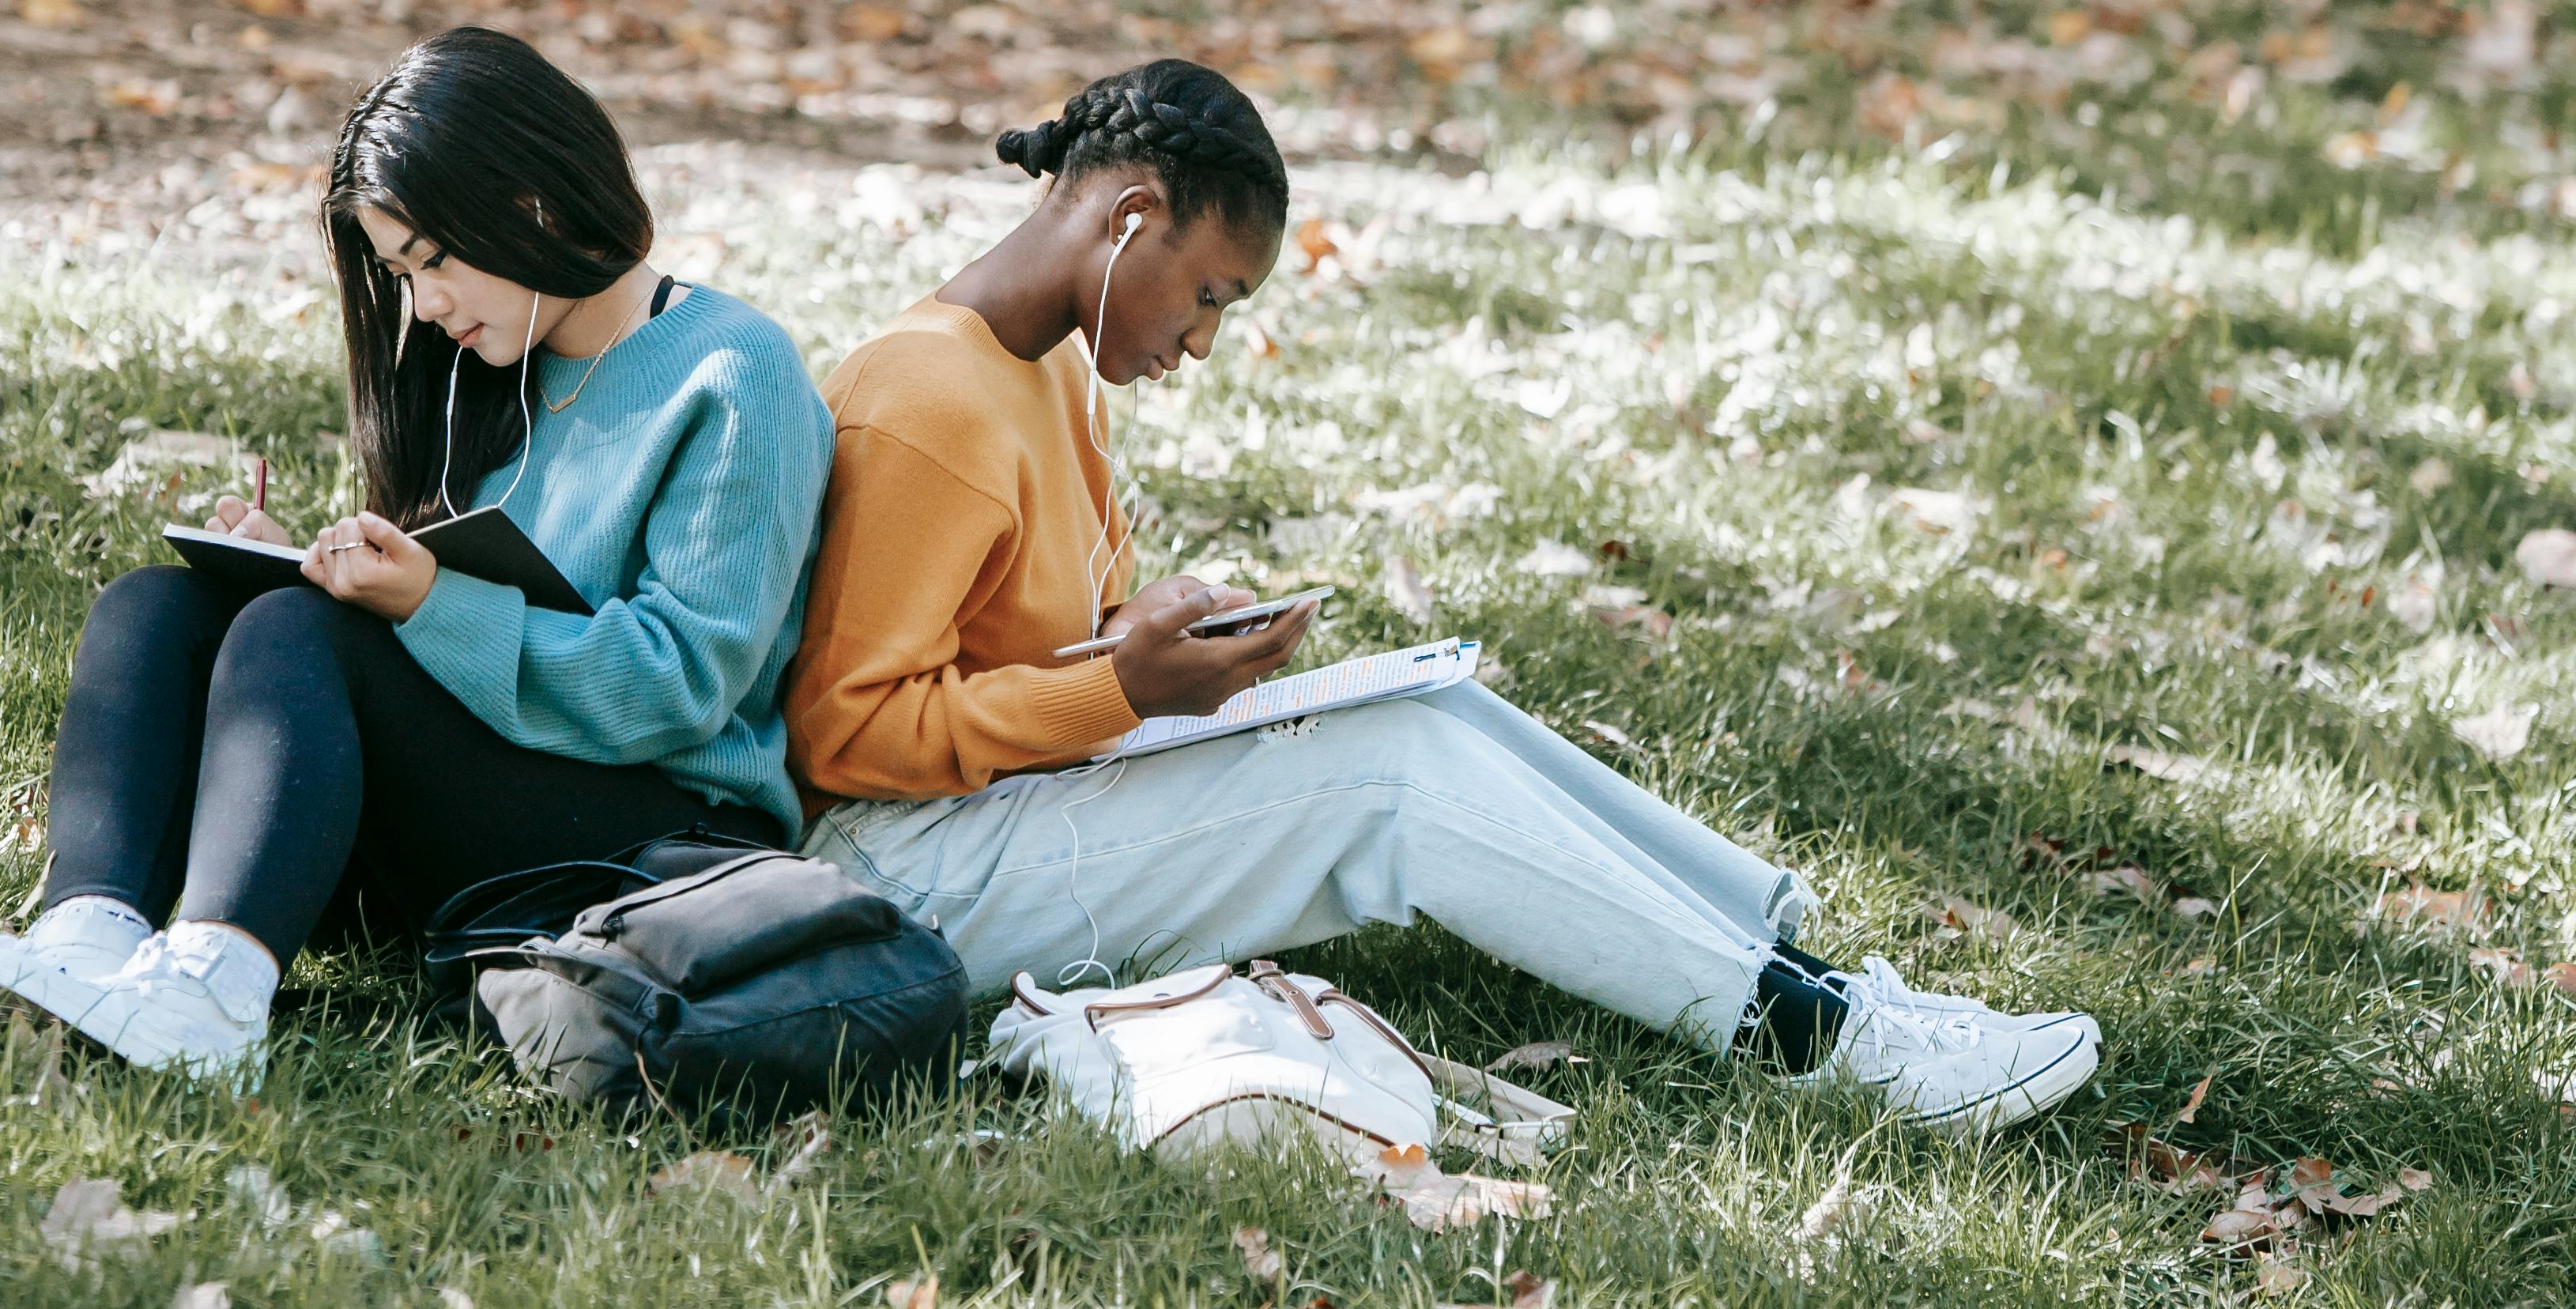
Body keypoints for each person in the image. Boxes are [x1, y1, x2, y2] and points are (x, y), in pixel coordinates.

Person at [789, 59, 2099, 1130]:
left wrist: (1138, 643)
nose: (1202, 342)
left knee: (1432, 709)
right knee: (1392, 779)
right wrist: (1118, 684)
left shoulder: (1043, 374)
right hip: (908, 881)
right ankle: (1818, 1043)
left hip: (1007, 808)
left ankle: (1805, 972)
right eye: (1208, 295)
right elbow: (846, 741)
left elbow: (1004, 639)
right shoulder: (929, 399)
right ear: (1131, 217)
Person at [0, 27, 832, 1084]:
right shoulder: (484, 368)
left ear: (529, 205)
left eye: (434, 265)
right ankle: (82, 951)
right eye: (401, 276)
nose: (426, 308)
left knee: (306, 634)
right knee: (159, 608)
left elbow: (679, 689)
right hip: (483, 801)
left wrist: (420, 602)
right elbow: (443, 625)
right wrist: (315, 565)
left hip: (654, 837)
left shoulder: (729, 370)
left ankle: (211, 996)